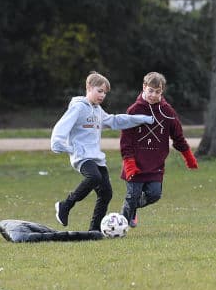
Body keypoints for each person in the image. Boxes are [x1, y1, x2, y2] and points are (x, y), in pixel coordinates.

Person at [51, 71, 155, 231]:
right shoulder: (78, 107)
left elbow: (115, 120)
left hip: (96, 157)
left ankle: (94, 230)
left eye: (105, 93)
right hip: (82, 156)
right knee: (94, 177)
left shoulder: (98, 110)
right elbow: (61, 127)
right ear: (89, 88)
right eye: (99, 91)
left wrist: (142, 119)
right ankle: (65, 205)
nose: (102, 95)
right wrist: (62, 146)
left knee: (106, 193)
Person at [118, 72, 198, 227]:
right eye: (150, 91)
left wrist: (189, 157)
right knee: (133, 195)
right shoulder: (133, 111)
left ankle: (132, 208)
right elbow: (125, 140)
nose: (153, 95)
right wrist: (129, 162)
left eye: (157, 92)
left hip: (155, 165)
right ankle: (122, 225)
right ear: (144, 87)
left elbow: (178, 137)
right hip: (135, 164)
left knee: (154, 195)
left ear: (162, 91)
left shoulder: (168, 112)